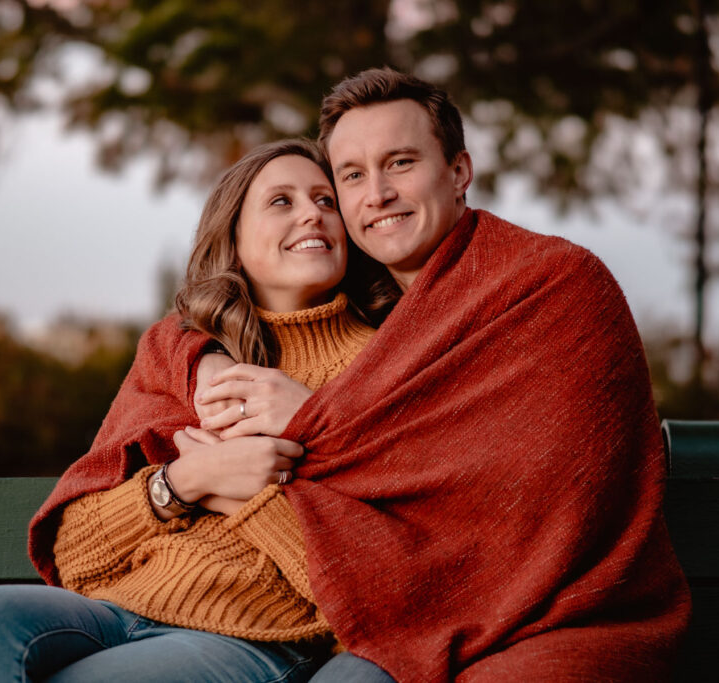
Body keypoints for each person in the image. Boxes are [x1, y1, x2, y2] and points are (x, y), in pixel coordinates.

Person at [198, 68, 693, 680]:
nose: (377, 194)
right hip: (407, 616)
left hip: (564, 618)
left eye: (400, 163)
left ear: (459, 171)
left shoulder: (555, 283)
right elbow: (218, 311)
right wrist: (203, 354)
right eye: (352, 176)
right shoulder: (364, 311)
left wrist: (310, 421)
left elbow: (530, 485)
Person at [0, 139, 381, 682]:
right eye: (282, 201)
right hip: (115, 610)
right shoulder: (185, 358)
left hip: (253, 637)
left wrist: (243, 497)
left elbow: (375, 584)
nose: (312, 214)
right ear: (232, 238)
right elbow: (75, 553)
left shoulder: (384, 365)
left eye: (326, 201)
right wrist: (186, 480)